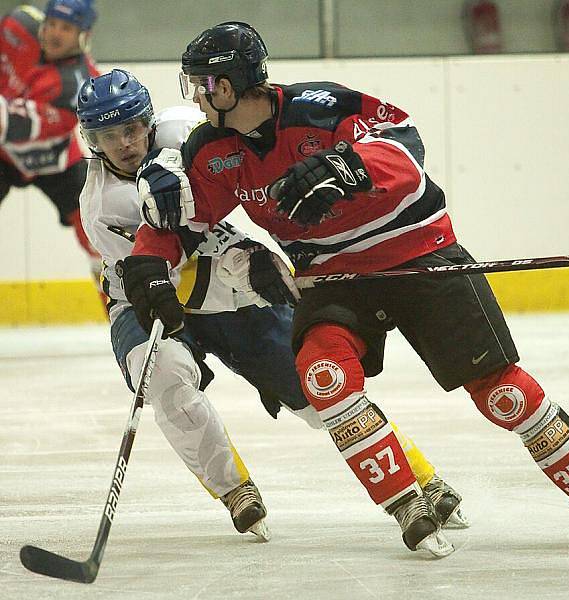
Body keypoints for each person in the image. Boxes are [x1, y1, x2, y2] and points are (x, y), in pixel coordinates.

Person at [121, 22, 569, 557]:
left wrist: (348, 166)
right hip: (336, 278)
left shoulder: (321, 106)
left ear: (236, 82)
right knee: (324, 375)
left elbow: (406, 148)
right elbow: (178, 224)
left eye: (206, 84)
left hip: (418, 255)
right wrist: (147, 265)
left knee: (501, 393)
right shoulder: (212, 151)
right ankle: (408, 504)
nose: (197, 95)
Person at [77, 68, 469, 544]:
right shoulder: (100, 207)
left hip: (233, 294)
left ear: (148, 119)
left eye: (131, 128)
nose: (123, 143)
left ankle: (421, 477)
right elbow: (172, 276)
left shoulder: (187, 131)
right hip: (147, 301)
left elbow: (245, 164)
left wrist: (257, 259)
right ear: (90, 141)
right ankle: (234, 489)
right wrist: (245, 264)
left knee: (314, 381)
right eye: (106, 135)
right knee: (167, 380)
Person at [0, 1, 103, 302]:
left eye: (67, 28)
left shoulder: (80, 84)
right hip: (4, 156)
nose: (55, 33)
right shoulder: (16, 26)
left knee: (99, 231)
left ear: (83, 35)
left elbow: (16, 123)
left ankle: (127, 324)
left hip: (54, 160)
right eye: (53, 23)